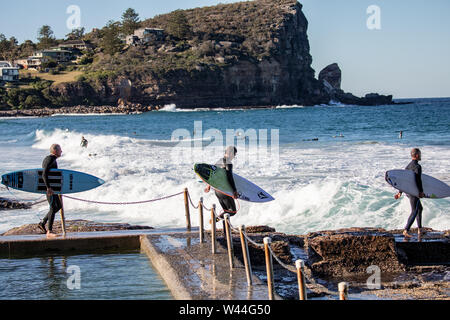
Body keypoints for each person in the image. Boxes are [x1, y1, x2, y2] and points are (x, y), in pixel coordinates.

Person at [394, 148, 425, 238]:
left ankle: (420, 229)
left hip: (409, 192)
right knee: (415, 210)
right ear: (416, 155)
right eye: (419, 154)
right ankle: (406, 230)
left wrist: (400, 192)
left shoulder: (408, 166)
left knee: (419, 208)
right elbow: (418, 180)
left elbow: (404, 180)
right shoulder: (417, 167)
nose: (420, 155)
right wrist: (421, 191)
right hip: (414, 192)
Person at [204, 146, 239, 220]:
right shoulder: (228, 163)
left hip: (217, 191)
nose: (234, 157)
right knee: (232, 211)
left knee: (226, 212)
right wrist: (234, 190)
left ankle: (225, 231)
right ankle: (215, 219)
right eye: (234, 155)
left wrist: (208, 185)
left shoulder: (219, 161)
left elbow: (212, 174)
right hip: (224, 191)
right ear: (230, 153)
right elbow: (230, 177)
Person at [37, 144, 63, 239]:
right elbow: (44, 174)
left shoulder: (53, 159)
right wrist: (48, 187)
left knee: (58, 206)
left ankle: (42, 223)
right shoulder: (50, 159)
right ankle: (49, 231)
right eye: (60, 150)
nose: (61, 151)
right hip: (50, 189)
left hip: (53, 188)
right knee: (53, 207)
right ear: (55, 151)